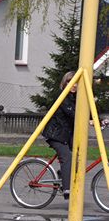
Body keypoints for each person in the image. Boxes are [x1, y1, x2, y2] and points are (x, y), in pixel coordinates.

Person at [43, 70, 77, 199]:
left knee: (77, 158)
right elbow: (72, 113)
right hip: (55, 134)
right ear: (65, 83)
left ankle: (63, 174)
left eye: (76, 83)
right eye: (70, 82)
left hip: (67, 135)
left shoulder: (76, 98)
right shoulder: (63, 97)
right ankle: (67, 189)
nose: (73, 85)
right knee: (67, 157)